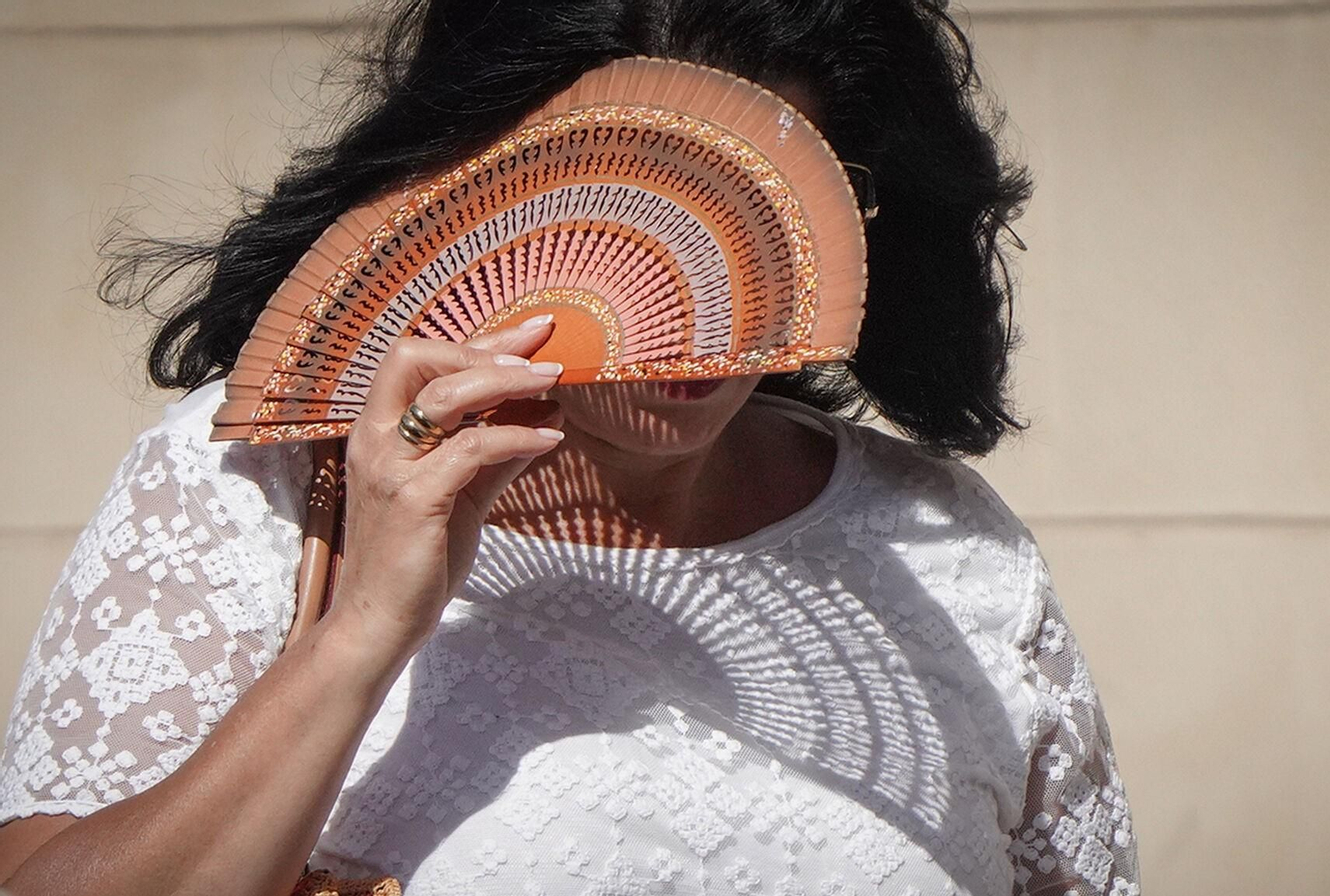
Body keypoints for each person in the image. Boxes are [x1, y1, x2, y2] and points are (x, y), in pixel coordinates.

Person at [0, 1, 1139, 894]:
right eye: (632, 205)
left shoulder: (950, 549)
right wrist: (356, 636)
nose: (710, 287)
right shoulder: (254, 488)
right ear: (479, 187)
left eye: (769, 218)